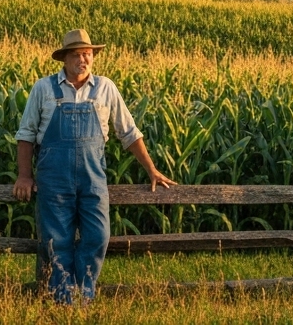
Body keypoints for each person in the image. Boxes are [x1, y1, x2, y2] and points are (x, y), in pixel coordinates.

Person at [13, 29, 175, 303]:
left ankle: (83, 295)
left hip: (93, 178)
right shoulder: (44, 88)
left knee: (99, 236)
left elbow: (129, 133)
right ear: (64, 58)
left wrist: (152, 170)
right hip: (53, 178)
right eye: (76, 54)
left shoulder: (105, 87)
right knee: (56, 240)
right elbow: (26, 135)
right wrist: (24, 176)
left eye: (87, 53)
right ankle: (64, 300)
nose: (83, 59)